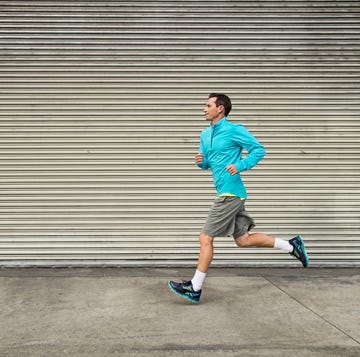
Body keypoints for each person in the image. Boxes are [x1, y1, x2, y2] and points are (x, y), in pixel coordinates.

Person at [168, 93, 309, 304]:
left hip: (230, 194)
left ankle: (195, 288)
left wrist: (240, 165)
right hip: (230, 193)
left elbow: (258, 150)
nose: (204, 109)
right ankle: (291, 246)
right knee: (243, 240)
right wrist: (201, 162)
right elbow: (208, 163)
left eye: (208, 105)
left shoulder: (234, 130)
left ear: (221, 108)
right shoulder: (205, 135)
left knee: (205, 238)